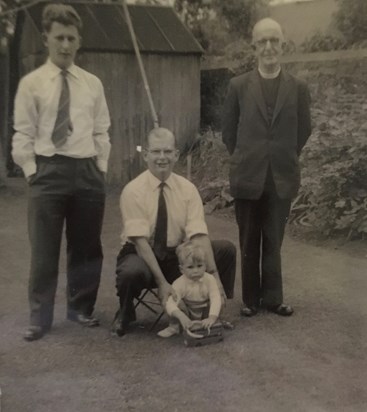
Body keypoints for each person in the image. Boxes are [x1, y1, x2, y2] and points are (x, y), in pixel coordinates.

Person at [12, 4, 111, 341]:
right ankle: (40, 318)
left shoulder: (92, 84)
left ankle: (80, 308)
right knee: (44, 249)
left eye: (71, 38)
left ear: (78, 41)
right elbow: (22, 133)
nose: (66, 45)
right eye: (59, 38)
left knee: (86, 247)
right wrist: (30, 171)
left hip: (86, 170)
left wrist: (100, 169)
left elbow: (102, 130)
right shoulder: (32, 84)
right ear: (46, 39)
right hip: (47, 169)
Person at [222, 18, 311, 317]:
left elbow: (304, 130)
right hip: (248, 174)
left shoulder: (297, 88)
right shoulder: (238, 86)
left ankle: (273, 298)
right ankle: (250, 300)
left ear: (283, 45)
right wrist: (249, 157)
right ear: (255, 47)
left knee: (274, 239)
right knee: (249, 240)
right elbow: (228, 133)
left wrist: (282, 155)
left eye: (275, 40)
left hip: (280, 177)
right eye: (263, 41)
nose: (269, 47)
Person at [112, 127, 236, 336]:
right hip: (141, 253)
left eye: (168, 152)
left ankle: (213, 309)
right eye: (156, 152)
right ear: (145, 155)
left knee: (225, 250)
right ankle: (125, 312)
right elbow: (141, 243)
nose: (162, 158)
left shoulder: (187, 189)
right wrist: (161, 283)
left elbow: (198, 235)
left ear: (176, 154)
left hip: (176, 254)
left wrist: (215, 277)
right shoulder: (132, 190)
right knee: (130, 271)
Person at [158, 240, 222, 338]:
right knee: (174, 302)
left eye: (200, 266)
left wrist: (212, 317)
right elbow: (170, 303)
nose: (196, 271)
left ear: (205, 265)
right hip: (187, 310)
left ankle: (211, 323)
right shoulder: (179, 283)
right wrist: (181, 316)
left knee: (217, 299)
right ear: (181, 269)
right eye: (190, 267)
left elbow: (215, 298)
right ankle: (174, 327)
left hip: (205, 309)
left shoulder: (210, 279)